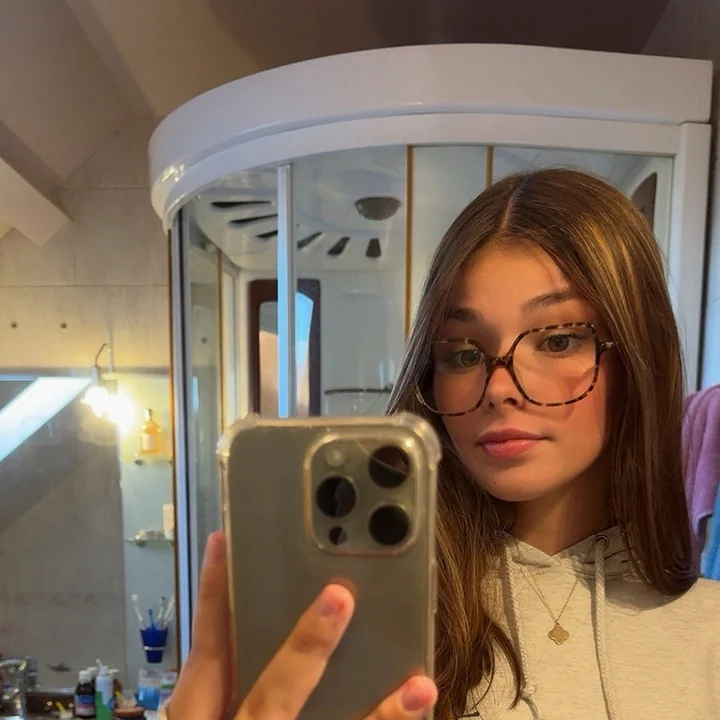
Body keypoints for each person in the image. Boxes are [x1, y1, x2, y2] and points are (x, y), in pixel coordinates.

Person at [161, 168, 720, 720]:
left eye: (557, 340)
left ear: (638, 358)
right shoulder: (363, 615)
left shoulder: (709, 635)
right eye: (464, 353)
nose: (498, 388)